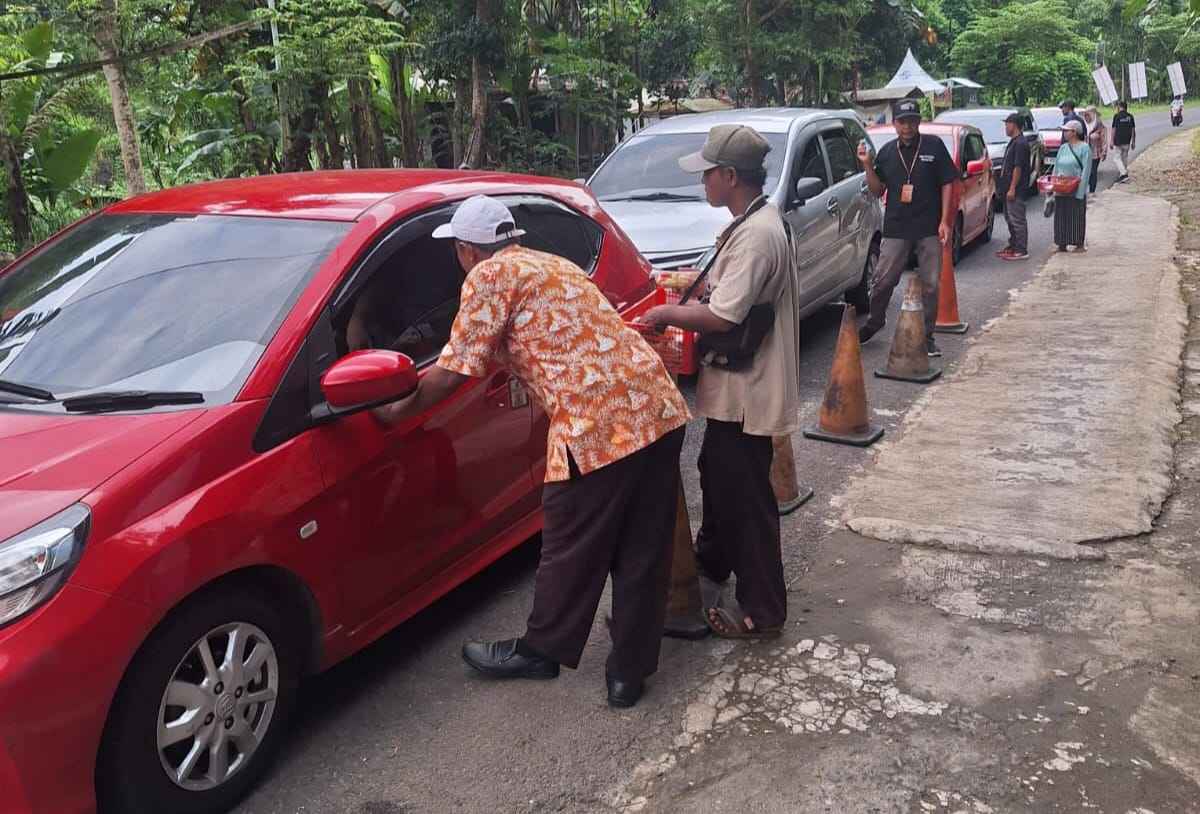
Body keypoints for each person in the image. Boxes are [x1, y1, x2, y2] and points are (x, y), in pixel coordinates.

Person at [374, 194, 691, 708]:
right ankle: (628, 674)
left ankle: (543, 649)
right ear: (511, 236)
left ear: (464, 250)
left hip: (597, 422)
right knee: (642, 546)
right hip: (656, 405)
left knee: (568, 535)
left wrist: (394, 411)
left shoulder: (488, 276)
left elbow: (454, 368)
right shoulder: (551, 263)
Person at [639, 124, 800, 639]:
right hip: (739, 387)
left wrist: (668, 311)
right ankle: (713, 560)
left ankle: (762, 610)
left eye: (708, 173)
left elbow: (726, 318)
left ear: (731, 176)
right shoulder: (753, 221)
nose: (702, 181)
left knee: (748, 496)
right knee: (718, 469)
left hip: (749, 390)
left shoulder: (756, 234)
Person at [856, 98, 957, 357]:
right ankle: (875, 321)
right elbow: (878, 190)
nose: (908, 127)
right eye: (902, 122)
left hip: (929, 227)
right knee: (882, 281)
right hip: (896, 227)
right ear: (894, 123)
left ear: (919, 122)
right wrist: (867, 164)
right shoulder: (888, 152)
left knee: (931, 284)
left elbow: (948, 182)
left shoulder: (934, 146)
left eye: (912, 121)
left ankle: (927, 335)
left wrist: (945, 220)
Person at [1052, 120, 1092, 253]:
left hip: (1075, 189)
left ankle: (1078, 243)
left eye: (1066, 130)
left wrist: (1080, 192)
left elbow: (1086, 171)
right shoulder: (1063, 148)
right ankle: (1061, 243)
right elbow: (1056, 168)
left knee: (1076, 216)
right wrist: (1053, 185)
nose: (1064, 133)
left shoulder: (1084, 148)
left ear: (1074, 132)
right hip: (1061, 188)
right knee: (1061, 216)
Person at [996, 112, 1031, 261]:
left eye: (1007, 124)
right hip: (1007, 188)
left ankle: (1021, 249)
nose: (1005, 127)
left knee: (1017, 219)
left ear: (1014, 125)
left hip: (1016, 190)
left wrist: (1012, 188)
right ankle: (1013, 244)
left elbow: (1018, 168)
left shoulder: (1021, 143)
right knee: (1009, 218)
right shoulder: (1014, 142)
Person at [1083, 106, 1108, 195]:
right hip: (1084, 153)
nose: (1086, 116)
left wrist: (1104, 152)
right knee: (1086, 172)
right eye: (1085, 115)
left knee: (1093, 171)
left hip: (1095, 152)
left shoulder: (1099, 125)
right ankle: (1085, 190)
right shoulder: (1083, 125)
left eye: (1088, 114)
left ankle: (1092, 192)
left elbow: (1104, 139)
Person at [1110, 100, 1136, 182]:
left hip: (1118, 141)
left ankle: (1124, 174)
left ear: (1120, 107)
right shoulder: (1130, 116)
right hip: (1127, 141)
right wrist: (1133, 142)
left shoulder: (1116, 116)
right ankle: (1123, 176)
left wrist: (1111, 140)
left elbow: (1113, 129)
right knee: (1124, 158)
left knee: (1116, 158)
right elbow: (1133, 130)